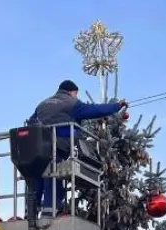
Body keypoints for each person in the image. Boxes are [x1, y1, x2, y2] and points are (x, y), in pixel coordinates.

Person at [26, 80, 128, 216]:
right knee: (55, 177)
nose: (76, 96)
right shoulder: (71, 102)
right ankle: (48, 215)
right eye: (76, 94)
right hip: (58, 145)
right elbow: (94, 110)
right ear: (71, 91)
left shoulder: (43, 104)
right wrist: (116, 106)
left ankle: (30, 215)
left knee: (37, 178)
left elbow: (31, 122)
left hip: (36, 148)